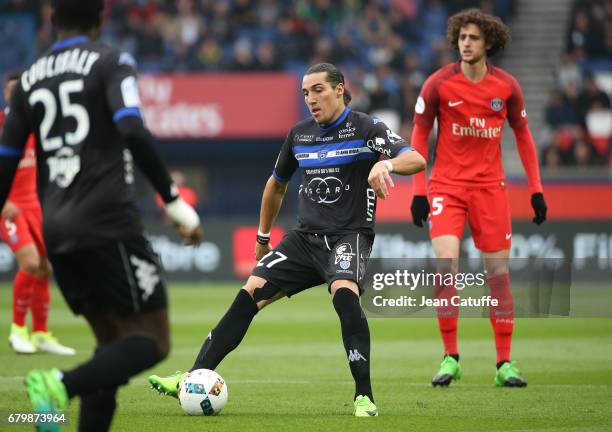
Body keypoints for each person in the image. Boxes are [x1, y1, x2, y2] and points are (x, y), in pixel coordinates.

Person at [148, 62, 426, 417]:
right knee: (250, 293)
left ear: (340, 89)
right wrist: (263, 236)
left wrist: (385, 165)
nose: (311, 98)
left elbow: (415, 158)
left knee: (344, 292)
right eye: (306, 92)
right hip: (304, 240)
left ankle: (364, 396)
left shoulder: (366, 127)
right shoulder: (300, 134)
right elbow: (276, 185)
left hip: (348, 236)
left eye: (319, 90)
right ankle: (192, 377)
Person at [0, 1, 202, 430]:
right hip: (108, 222)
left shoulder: (31, 78)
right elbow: (131, 127)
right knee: (152, 340)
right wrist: (172, 199)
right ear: (101, 18)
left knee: (109, 345)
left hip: (56, 227)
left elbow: (6, 158)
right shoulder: (111, 61)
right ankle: (59, 384)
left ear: (52, 19)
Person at [409, 8, 547, 388]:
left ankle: (504, 364)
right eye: (462, 37)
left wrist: (536, 189)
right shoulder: (437, 84)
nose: (465, 44)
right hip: (447, 188)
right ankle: (450, 356)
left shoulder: (507, 87)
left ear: (489, 43)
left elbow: (524, 135)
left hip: (490, 190)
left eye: (473, 38)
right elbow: (419, 134)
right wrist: (419, 190)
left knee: (498, 275)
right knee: (446, 265)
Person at [1, 71, 75, 355]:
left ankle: (42, 333)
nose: (16, 93)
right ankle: (18, 330)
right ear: (7, 94)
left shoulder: (38, 128)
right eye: (11, 90)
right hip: (10, 207)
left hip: (37, 206)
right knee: (30, 263)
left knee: (45, 268)